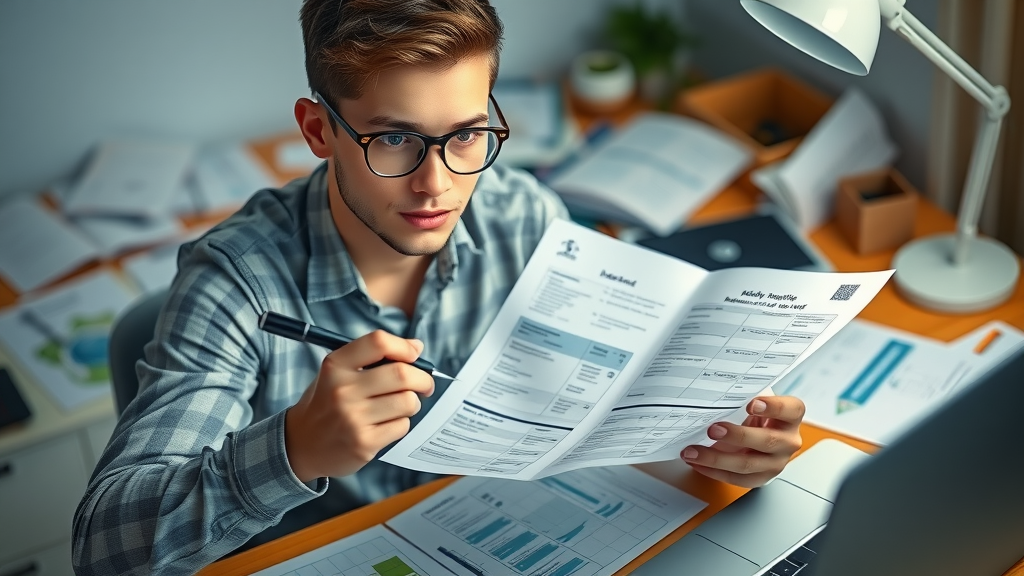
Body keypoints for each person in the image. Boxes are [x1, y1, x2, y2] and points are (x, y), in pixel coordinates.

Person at [72, 1, 807, 574]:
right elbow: (103, 553)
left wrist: (713, 436)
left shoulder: (520, 214)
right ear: (319, 131)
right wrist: (293, 450)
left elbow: (606, 394)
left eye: (465, 134)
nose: (439, 184)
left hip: (491, 530)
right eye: (393, 139)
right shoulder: (232, 283)